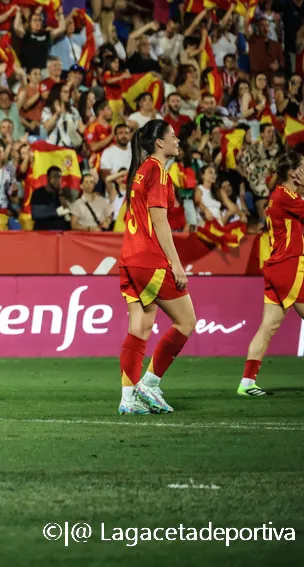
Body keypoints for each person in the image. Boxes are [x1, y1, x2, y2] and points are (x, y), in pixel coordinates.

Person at [117, 119, 196, 415]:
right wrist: (176, 264)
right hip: (149, 260)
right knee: (186, 321)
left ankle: (128, 399)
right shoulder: (159, 172)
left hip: (129, 259)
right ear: (159, 142)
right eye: (173, 136)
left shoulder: (141, 170)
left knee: (140, 327)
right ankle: (150, 384)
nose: (178, 140)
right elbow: (160, 221)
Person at [238, 152, 304, 396]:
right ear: (294, 172)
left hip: (277, 267)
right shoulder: (285, 196)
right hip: (290, 266)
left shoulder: (281, 195)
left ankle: (247, 383)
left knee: (268, 326)